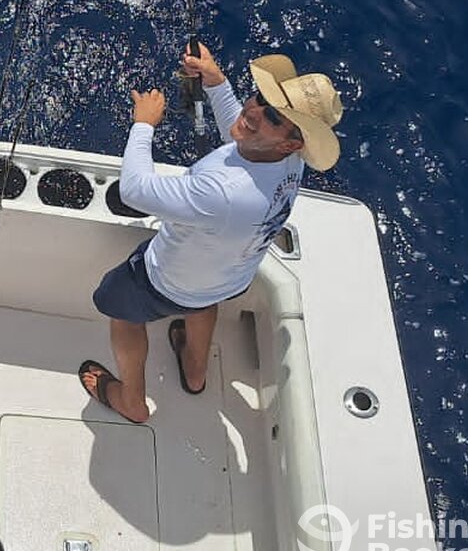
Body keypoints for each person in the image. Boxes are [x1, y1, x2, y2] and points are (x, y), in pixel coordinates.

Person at [79, 43, 343, 423]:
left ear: (291, 142)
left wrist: (143, 124)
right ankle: (195, 371)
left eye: (272, 116)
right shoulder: (290, 161)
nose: (253, 111)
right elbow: (242, 134)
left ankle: (131, 401)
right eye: (261, 97)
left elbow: (134, 191)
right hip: (231, 278)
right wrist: (217, 82)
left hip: (167, 282)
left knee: (122, 313)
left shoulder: (221, 193)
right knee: (201, 303)